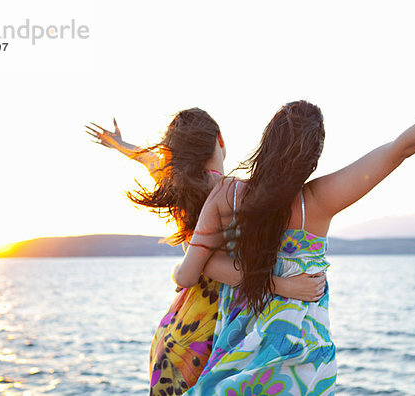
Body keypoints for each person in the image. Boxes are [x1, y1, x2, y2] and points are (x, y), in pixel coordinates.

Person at [173, 55, 415, 395]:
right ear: (311, 159)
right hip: (303, 364)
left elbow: (189, 273)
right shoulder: (316, 201)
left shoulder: (227, 195)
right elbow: (402, 147)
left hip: (239, 361)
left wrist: (205, 267)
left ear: (267, 142)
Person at [85, 108, 327, 395]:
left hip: (181, 325)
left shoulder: (180, 186)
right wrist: (283, 285)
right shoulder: (235, 192)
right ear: (220, 139)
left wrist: (118, 144)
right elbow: (210, 266)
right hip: (215, 329)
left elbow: (146, 158)